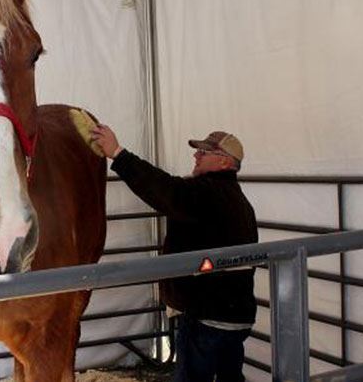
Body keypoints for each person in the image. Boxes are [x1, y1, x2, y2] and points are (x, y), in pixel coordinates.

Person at [91, 125, 258, 382]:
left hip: (207, 317)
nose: (196, 156)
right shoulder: (239, 201)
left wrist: (118, 154)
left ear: (224, 161)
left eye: (204, 152)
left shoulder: (207, 193)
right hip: (235, 317)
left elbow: (164, 189)